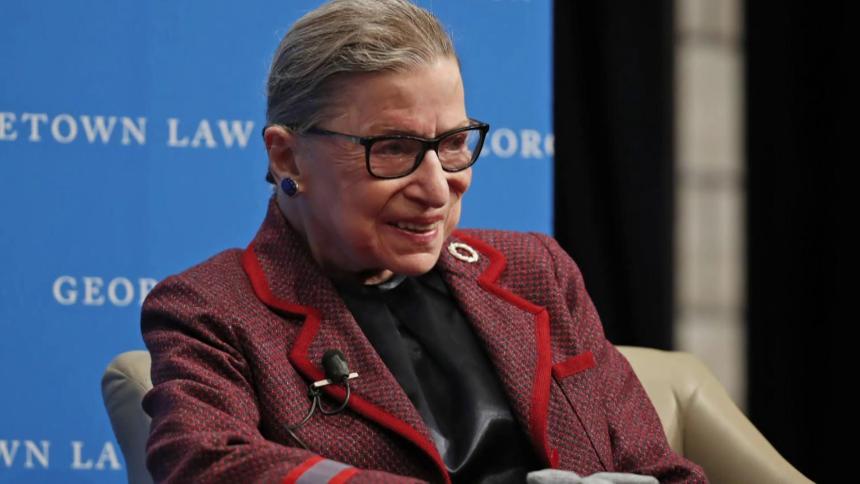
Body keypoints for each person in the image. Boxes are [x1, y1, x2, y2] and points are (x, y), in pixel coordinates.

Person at [141, 1, 707, 483]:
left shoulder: (536, 270)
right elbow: (205, 464)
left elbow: (662, 470)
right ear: (287, 157)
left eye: (454, 143)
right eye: (392, 148)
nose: (438, 189)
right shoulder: (213, 309)